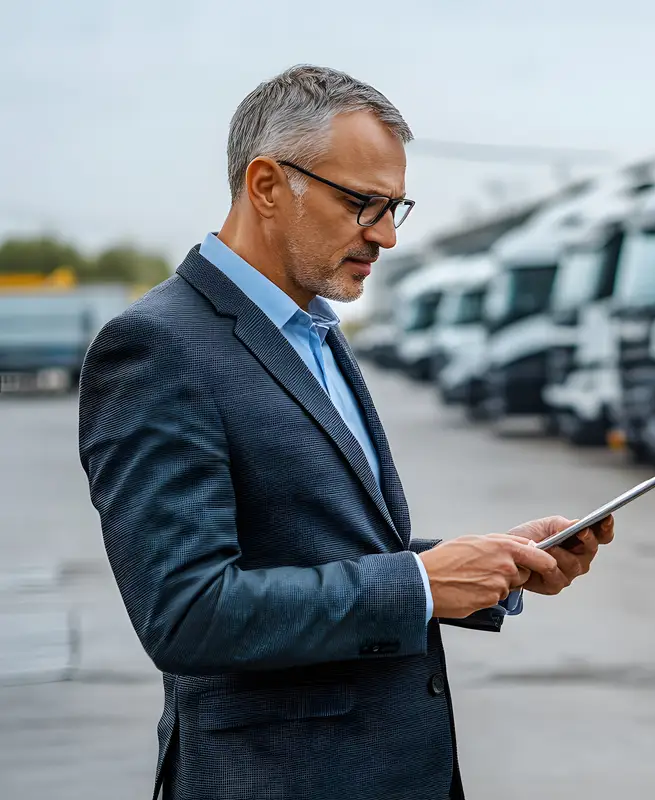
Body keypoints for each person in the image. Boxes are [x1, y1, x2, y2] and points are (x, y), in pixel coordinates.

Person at [77, 64, 614, 800]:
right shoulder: (155, 348)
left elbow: (324, 549)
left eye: (397, 206)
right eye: (363, 203)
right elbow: (188, 613)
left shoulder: (316, 332)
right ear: (267, 185)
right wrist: (420, 585)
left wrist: (491, 565)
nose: (386, 235)